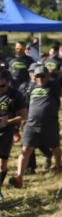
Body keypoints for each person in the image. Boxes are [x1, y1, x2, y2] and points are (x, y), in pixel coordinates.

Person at [9, 66, 62, 188]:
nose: (41, 79)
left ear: (48, 76)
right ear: (34, 77)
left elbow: (61, 77)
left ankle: (59, 165)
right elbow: (23, 106)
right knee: (26, 149)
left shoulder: (53, 86)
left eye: (43, 76)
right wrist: (18, 126)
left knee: (55, 147)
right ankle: (19, 177)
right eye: (38, 76)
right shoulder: (28, 88)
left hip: (50, 123)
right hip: (31, 124)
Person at [0, 69, 26, 202]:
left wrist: (8, 121)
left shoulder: (15, 95)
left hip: (5, 133)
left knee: (1, 164)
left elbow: (24, 115)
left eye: (2, 86)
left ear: (8, 83)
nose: (0, 89)